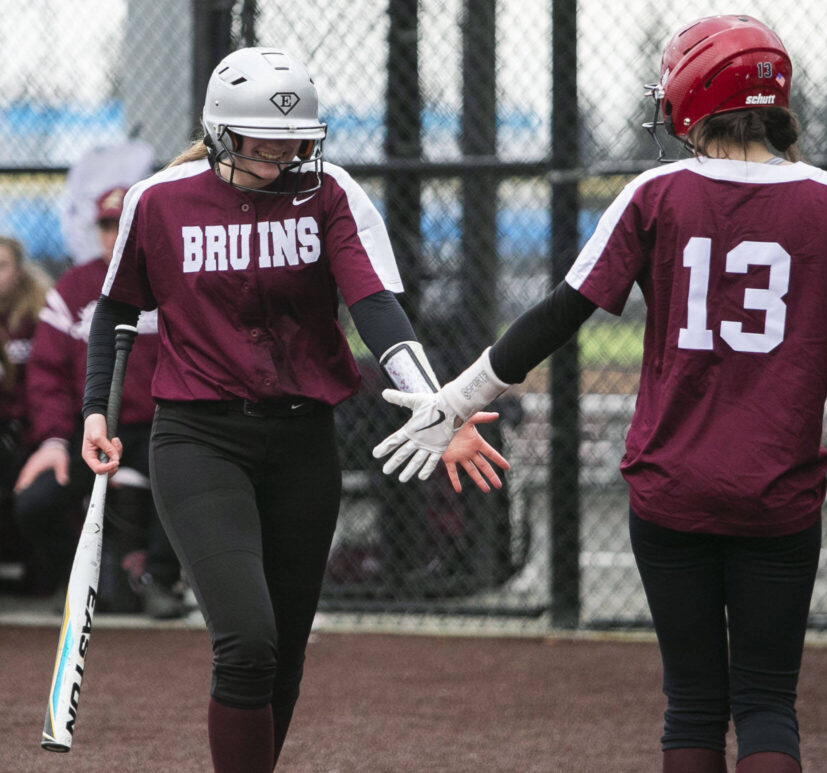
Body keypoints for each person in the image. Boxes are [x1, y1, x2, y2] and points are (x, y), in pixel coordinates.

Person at [372, 15, 827, 773]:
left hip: (670, 487)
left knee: (693, 703)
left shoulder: (656, 193)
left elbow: (557, 316)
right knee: (766, 703)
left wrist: (460, 396)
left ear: (694, 95)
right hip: (776, 490)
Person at [80, 47, 507, 772]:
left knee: (282, 651)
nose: (287, 151)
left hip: (304, 439)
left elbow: (376, 308)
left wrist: (440, 405)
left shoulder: (331, 194)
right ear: (221, 133)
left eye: (296, 138)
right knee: (246, 640)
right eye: (267, 139)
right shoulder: (159, 201)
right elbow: (116, 310)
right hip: (199, 439)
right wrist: (99, 409)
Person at [14, 187, 184, 618]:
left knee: (185, 486)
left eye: (125, 225)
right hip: (87, 430)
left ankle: (158, 582)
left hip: (163, 426)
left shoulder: (177, 281)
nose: (115, 236)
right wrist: (52, 440)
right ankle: (73, 581)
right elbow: (47, 375)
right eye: (108, 226)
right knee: (34, 500)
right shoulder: (73, 288)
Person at [0, 236, 50, 586]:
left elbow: (49, 380)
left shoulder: (41, 310)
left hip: (35, 425)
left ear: (18, 270)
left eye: (2, 265)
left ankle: (41, 570)